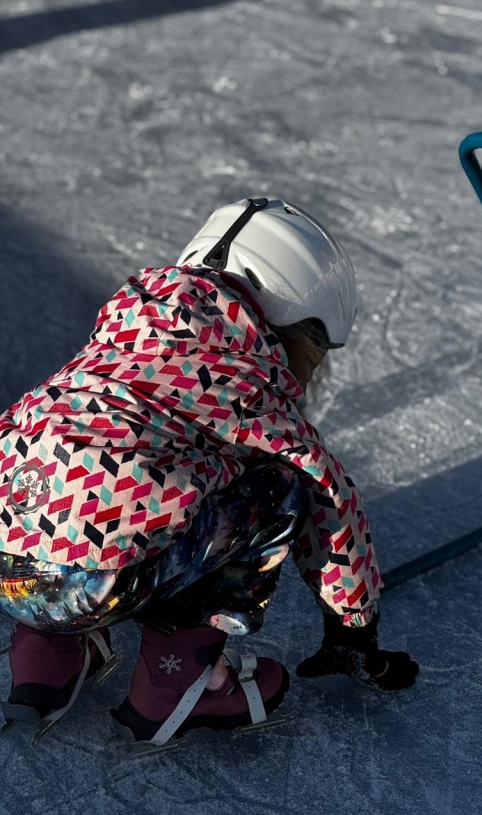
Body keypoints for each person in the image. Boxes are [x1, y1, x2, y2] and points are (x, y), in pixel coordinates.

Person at [0, 196, 418, 755]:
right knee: (280, 487)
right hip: (93, 581)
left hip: (10, 572)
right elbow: (330, 499)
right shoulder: (243, 381)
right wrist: (354, 630)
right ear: (295, 327)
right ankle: (177, 680)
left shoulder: (123, 336)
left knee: (81, 486)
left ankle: (43, 656)